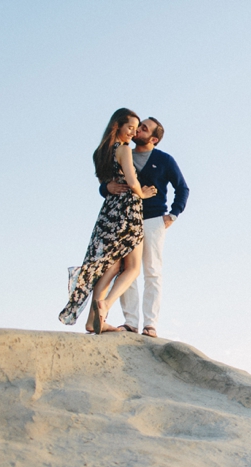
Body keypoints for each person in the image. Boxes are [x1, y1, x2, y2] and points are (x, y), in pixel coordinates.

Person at [59, 108, 157, 333]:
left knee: (110, 268)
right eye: (129, 128)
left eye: (136, 128)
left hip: (108, 212)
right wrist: (144, 193)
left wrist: (107, 188)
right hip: (127, 211)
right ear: (118, 126)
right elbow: (132, 182)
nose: (133, 133)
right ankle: (105, 306)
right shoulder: (124, 149)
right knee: (132, 268)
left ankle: (93, 321)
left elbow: (106, 182)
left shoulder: (100, 152)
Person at [100, 116, 189, 337]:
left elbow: (182, 188)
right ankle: (130, 322)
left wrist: (173, 215)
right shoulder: (123, 152)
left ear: (154, 138)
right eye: (139, 126)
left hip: (152, 220)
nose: (138, 130)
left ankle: (150, 324)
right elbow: (106, 182)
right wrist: (106, 188)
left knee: (152, 271)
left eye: (144, 128)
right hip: (125, 219)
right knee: (126, 271)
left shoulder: (165, 160)